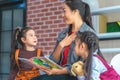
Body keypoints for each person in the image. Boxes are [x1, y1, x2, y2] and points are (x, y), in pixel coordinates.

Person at [31, 0, 95, 80]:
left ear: (75, 12)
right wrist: (61, 45)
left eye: (64, 11)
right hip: (59, 75)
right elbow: (53, 61)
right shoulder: (63, 34)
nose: (62, 15)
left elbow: (83, 66)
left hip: (76, 77)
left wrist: (58, 71)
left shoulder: (89, 34)